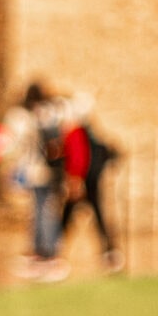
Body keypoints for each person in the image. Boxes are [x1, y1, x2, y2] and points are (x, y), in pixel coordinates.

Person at [5, 83, 69, 280]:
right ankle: (43, 252)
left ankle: (47, 253)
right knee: (43, 211)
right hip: (47, 171)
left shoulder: (21, 117)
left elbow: (13, 145)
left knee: (41, 212)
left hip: (34, 171)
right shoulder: (50, 112)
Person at [59, 97, 122, 268]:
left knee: (69, 217)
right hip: (89, 180)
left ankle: (54, 252)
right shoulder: (85, 131)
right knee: (93, 216)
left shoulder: (76, 132)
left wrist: (75, 181)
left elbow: (78, 159)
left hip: (82, 182)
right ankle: (109, 251)